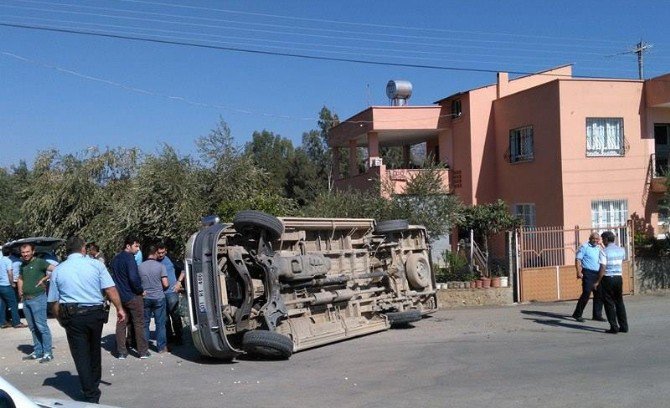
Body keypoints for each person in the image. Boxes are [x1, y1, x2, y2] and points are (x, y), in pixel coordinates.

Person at [48, 237, 126, 404]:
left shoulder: (58, 270)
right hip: (95, 314)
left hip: (73, 316)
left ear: (67, 251)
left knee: (80, 354)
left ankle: (90, 394)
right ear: (83, 249)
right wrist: (119, 308)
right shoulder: (96, 265)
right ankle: (94, 384)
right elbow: (110, 289)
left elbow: (53, 302)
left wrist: (61, 320)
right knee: (94, 350)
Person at [109, 236, 149, 359]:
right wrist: (140, 290)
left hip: (119, 296)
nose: (138, 249)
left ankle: (121, 351)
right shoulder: (130, 259)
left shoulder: (115, 260)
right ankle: (142, 351)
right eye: (136, 246)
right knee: (139, 323)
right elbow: (133, 278)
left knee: (121, 322)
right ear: (128, 246)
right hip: (132, 295)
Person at [17, 243, 55, 362]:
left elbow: (56, 269)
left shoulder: (39, 262)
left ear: (33, 251)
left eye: (27, 252)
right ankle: (38, 351)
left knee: (41, 326)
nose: (25, 254)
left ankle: (48, 353)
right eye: (23, 252)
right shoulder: (22, 265)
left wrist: (45, 279)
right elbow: (21, 278)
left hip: (38, 298)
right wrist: (20, 290)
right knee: (33, 328)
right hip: (26, 300)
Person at [593, 231, 629, 334]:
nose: (602, 241)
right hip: (618, 278)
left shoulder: (604, 251)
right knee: (619, 302)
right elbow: (621, 262)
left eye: (602, 239)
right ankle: (624, 326)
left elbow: (603, 267)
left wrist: (597, 281)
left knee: (608, 303)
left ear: (606, 239)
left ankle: (614, 327)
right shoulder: (621, 250)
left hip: (608, 278)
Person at [138, 245, 168, 353]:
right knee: (160, 323)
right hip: (158, 297)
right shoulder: (160, 266)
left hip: (145, 297)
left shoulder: (140, 267)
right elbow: (165, 283)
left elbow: (137, 282)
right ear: (155, 253)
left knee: (145, 323)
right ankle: (161, 347)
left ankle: (144, 347)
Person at [571, 232, 605, 322]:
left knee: (599, 294)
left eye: (597, 239)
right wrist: (578, 271)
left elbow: (606, 254)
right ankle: (577, 314)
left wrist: (601, 245)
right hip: (588, 273)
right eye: (594, 238)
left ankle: (597, 315)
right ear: (590, 238)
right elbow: (578, 259)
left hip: (598, 273)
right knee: (586, 293)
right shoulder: (584, 247)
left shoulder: (599, 247)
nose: (596, 240)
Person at [157, 243, 184, 346]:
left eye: (163, 252)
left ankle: (179, 337)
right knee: (165, 317)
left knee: (175, 315)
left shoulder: (170, 259)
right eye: (159, 253)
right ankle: (169, 337)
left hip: (172, 292)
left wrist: (179, 282)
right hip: (160, 293)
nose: (161, 255)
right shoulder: (154, 261)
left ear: (166, 251)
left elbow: (183, 269)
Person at [0, 248, 27, 328]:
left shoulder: (0, 260)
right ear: (10, 253)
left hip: (0, 285)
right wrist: (12, 283)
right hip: (6, 285)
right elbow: (10, 272)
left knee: (3, 304)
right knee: (13, 304)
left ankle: (2, 322)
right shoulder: (7, 261)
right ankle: (16, 322)